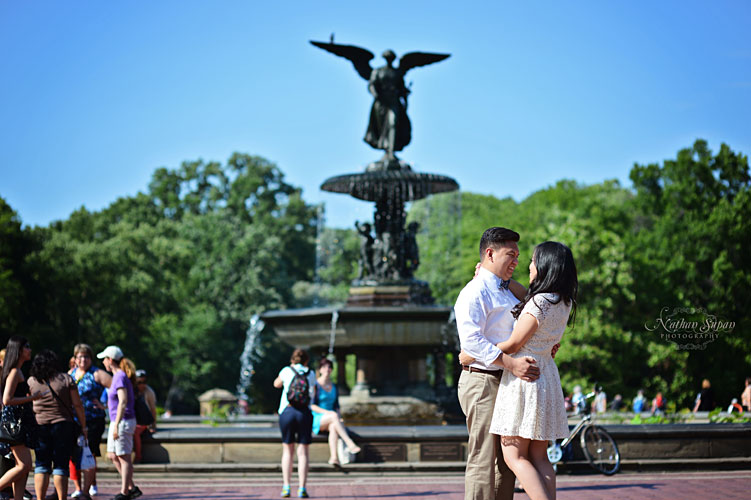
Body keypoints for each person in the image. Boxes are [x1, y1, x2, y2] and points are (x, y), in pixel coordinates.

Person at [454, 227, 541, 500]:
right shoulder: (475, 291)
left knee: (506, 458)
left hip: (505, 382)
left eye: (518, 256)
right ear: (490, 254)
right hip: (481, 380)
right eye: (510, 255)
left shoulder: (504, 290)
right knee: (483, 458)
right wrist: (511, 363)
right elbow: (471, 341)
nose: (516, 261)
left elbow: (529, 301)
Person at [488, 241, 578, 500]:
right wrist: (500, 280)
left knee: (514, 454)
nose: (529, 265)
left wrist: (480, 351)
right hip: (546, 374)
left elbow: (515, 343)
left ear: (545, 265)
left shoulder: (540, 302)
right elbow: (524, 294)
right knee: (539, 456)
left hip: (524, 377)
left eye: (533, 260)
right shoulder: (563, 301)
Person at [28, 349, 87, 500]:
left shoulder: (32, 381)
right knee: (61, 464)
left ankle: (40, 498)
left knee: (41, 464)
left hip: (40, 426)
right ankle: (62, 498)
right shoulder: (66, 379)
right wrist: (83, 425)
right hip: (63, 426)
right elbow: (78, 405)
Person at [0, 337, 45, 500]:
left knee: (22, 467)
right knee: (25, 465)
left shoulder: (17, 371)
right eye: (27, 347)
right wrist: (32, 398)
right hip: (14, 425)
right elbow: (7, 399)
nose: (30, 350)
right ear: (19, 350)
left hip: (19, 423)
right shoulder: (14, 372)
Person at [97, 346, 141, 500]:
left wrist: (116, 424)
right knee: (113, 455)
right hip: (118, 420)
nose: (103, 362)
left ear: (110, 360)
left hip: (122, 421)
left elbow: (123, 401)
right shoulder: (117, 376)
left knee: (124, 457)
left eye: (104, 359)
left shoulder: (120, 376)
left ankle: (125, 492)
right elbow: (117, 402)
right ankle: (131, 487)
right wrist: (103, 406)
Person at [69, 344, 111, 498]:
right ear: (75, 358)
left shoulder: (97, 374)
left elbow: (118, 389)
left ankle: (89, 487)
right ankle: (78, 487)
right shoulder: (71, 373)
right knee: (74, 454)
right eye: (80, 356)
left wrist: (105, 405)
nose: (83, 359)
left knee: (90, 452)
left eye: (86, 356)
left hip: (93, 420)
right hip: (74, 420)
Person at [273, 349, 316, 499]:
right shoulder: (311, 373)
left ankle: (286, 487)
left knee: (287, 450)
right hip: (304, 413)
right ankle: (302, 488)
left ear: (292, 360)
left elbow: (276, 384)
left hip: (288, 412)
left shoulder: (286, 370)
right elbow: (313, 393)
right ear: (306, 361)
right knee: (303, 452)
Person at [310, 358, 360, 466]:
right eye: (324, 367)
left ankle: (334, 458)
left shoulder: (334, 386)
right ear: (320, 369)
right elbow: (312, 405)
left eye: (329, 367)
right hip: (318, 417)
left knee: (333, 426)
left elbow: (336, 406)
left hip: (332, 419)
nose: (327, 369)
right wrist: (328, 413)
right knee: (333, 416)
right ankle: (349, 442)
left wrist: (339, 417)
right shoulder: (316, 385)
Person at [132, 370, 156, 464]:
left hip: (143, 422)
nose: (142, 385)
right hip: (133, 419)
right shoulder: (132, 390)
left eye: (144, 382)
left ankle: (138, 456)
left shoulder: (149, 392)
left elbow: (153, 410)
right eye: (139, 382)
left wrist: (153, 425)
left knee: (135, 432)